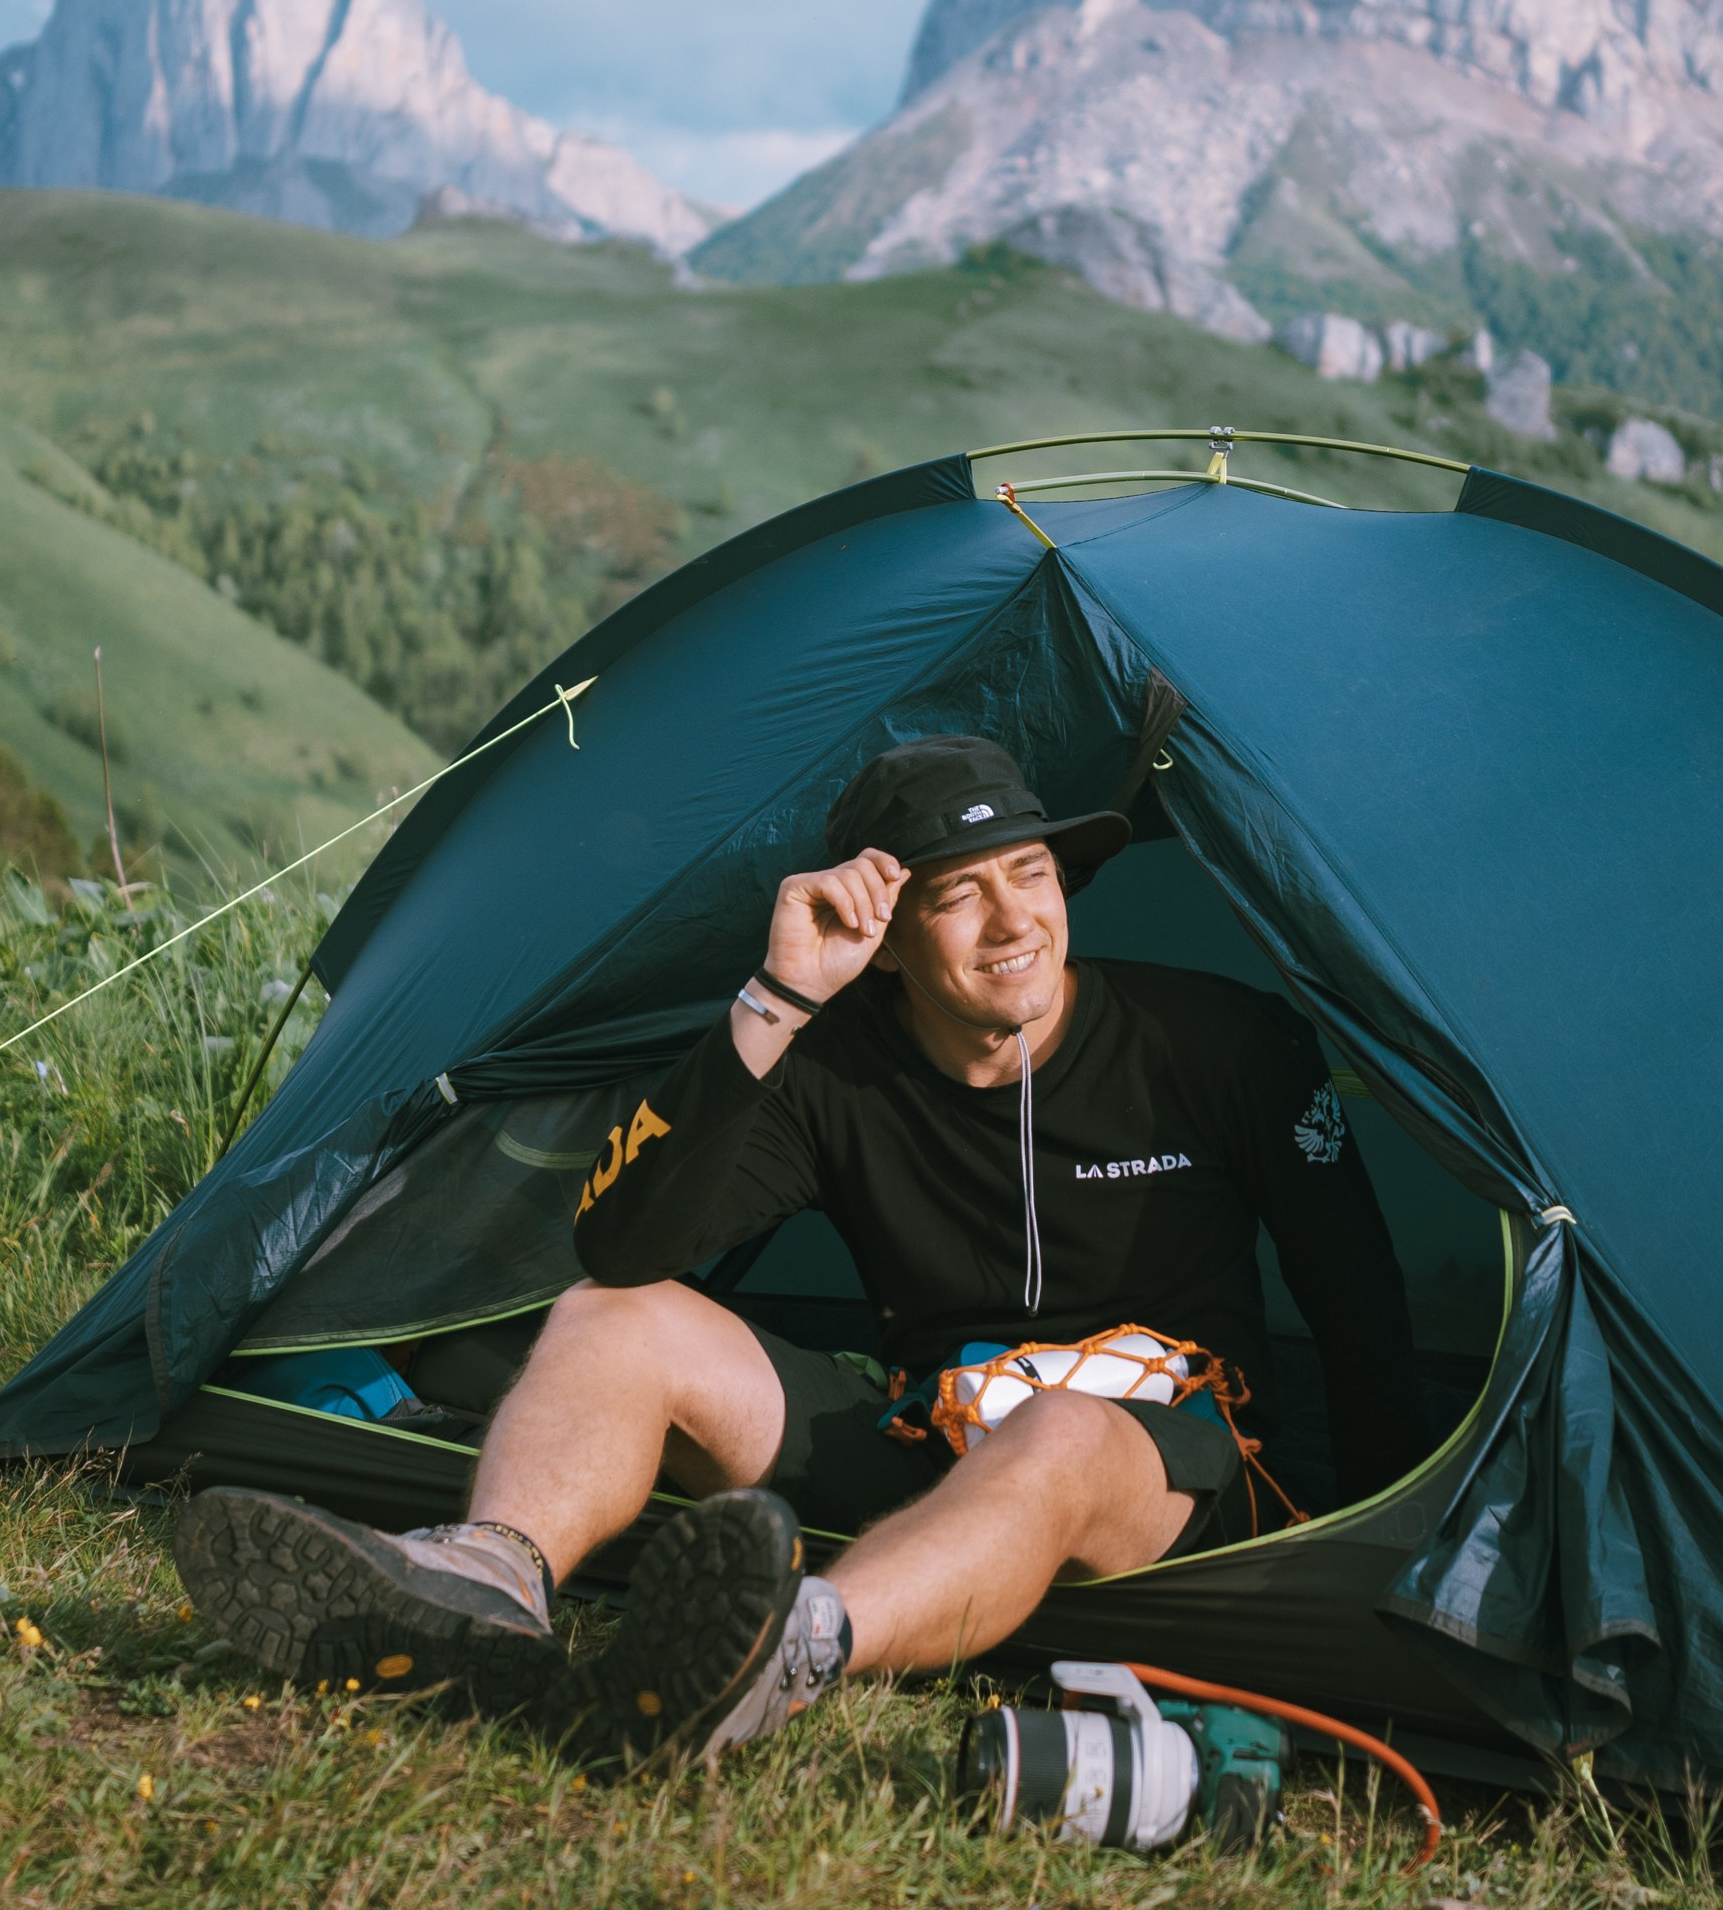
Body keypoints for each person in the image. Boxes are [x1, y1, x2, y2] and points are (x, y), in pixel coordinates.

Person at [174, 735, 1427, 1763]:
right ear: (886, 937)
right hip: (925, 1436)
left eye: (1033, 874)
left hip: (1158, 1462)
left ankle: (777, 1649)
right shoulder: (836, 1065)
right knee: (618, 1319)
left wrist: (1367, 1583)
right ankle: (486, 1582)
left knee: (1059, 1432)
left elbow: (1354, 1294)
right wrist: (774, 1007)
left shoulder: (1222, 1044)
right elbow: (626, 1246)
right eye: (957, 894)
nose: (1013, 922)